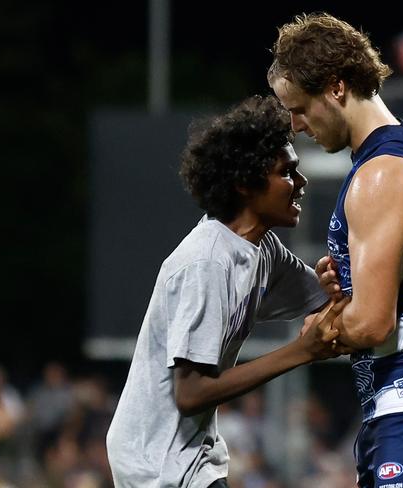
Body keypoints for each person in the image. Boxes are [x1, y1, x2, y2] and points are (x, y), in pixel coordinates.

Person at [269, 13, 403, 487]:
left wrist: (320, 326)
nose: (296, 125)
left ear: (336, 87)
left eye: (300, 107)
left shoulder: (380, 174)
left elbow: (371, 323)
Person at [106, 95, 351, 488]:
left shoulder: (262, 249)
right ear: (244, 184)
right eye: (287, 172)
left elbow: (332, 300)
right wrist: (299, 353)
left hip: (194, 456)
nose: (301, 184)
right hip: (155, 465)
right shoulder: (207, 263)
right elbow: (191, 392)